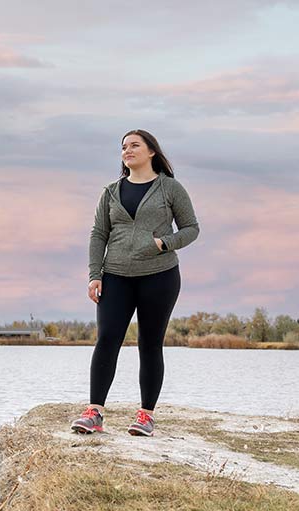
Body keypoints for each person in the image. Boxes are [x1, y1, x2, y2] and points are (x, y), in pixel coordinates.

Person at [71, 129, 200, 437]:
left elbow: (191, 228)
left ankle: (145, 416)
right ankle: (95, 412)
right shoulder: (111, 191)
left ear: (151, 151)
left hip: (160, 276)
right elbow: (98, 234)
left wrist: (163, 244)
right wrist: (94, 274)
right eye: (123, 147)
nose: (127, 150)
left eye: (134, 145)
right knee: (107, 339)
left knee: (150, 344)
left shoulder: (170, 188)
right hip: (115, 276)